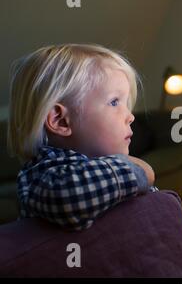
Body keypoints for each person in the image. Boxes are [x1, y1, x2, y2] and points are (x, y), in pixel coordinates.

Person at [7, 44, 158, 230]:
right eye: (114, 102)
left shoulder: (95, 165)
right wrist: (137, 171)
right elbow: (68, 197)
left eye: (126, 103)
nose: (130, 116)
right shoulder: (44, 175)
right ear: (61, 121)